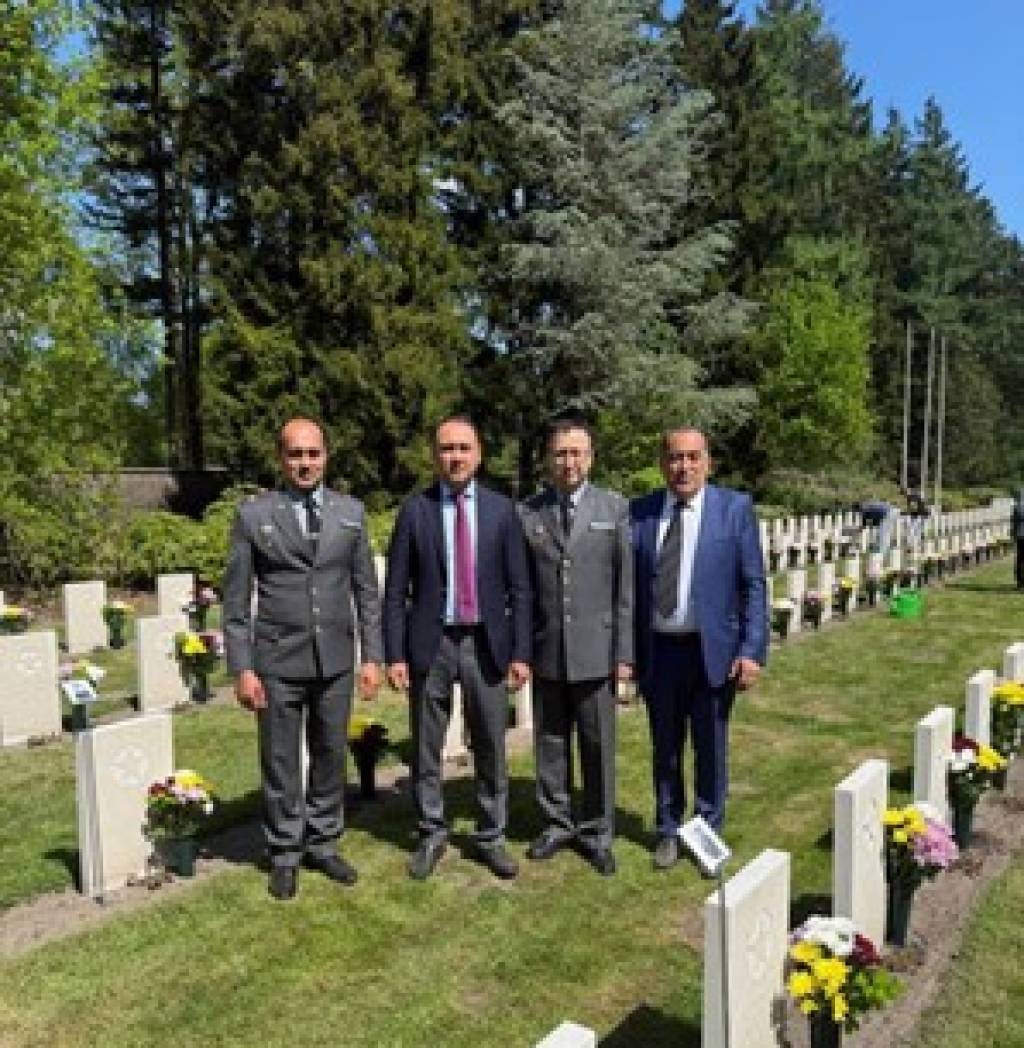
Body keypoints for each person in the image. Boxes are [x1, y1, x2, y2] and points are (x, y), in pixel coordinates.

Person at [223, 418, 383, 900]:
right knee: (280, 759)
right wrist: (242, 668)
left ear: (326, 457)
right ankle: (285, 851)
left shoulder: (350, 513)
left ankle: (323, 841)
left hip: (334, 658)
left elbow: (366, 591)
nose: (305, 463)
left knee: (331, 753)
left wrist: (371, 657)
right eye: (295, 454)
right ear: (281, 459)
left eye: (313, 454)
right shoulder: (254, 516)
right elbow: (236, 602)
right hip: (277, 659)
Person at [384, 415, 532, 881]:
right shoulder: (416, 511)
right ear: (435, 455)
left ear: (479, 454)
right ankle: (431, 831)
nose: (455, 457)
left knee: (490, 742)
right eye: (447, 448)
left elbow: (520, 588)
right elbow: (396, 591)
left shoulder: (502, 511)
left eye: (464, 448)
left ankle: (491, 834)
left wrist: (521, 652)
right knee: (427, 745)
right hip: (432, 642)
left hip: (486, 642)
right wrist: (395, 654)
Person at [630, 427, 767, 869]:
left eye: (692, 457)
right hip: (659, 652)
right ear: (662, 463)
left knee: (710, 748)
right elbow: (627, 589)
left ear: (708, 462)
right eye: (674, 458)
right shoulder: (641, 512)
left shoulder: (734, 509)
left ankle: (707, 830)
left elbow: (753, 584)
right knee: (665, 747)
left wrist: (752, 649)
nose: (683, 467)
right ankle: (668, 828)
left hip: (714, 653)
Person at [518, 417, 633, 876]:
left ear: (591, 458)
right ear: (548, 459)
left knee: (596, 744)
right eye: (561, 453)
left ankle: (598, 831)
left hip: (596, 650)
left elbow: (625, 590)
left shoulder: (614, 509)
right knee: (550, 743)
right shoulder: (529, 513)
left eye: (577, 453)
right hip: (547, 648)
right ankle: (557, 822)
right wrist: (522, 651)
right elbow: (522, 591)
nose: (569, 462)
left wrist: (624, 654)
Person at [1013, 489, 1024, 590]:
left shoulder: (1017, 507)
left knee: (1020, 559)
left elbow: (1014, 522)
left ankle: (1019, 582)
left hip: (1020, 535)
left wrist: (1013, 535)